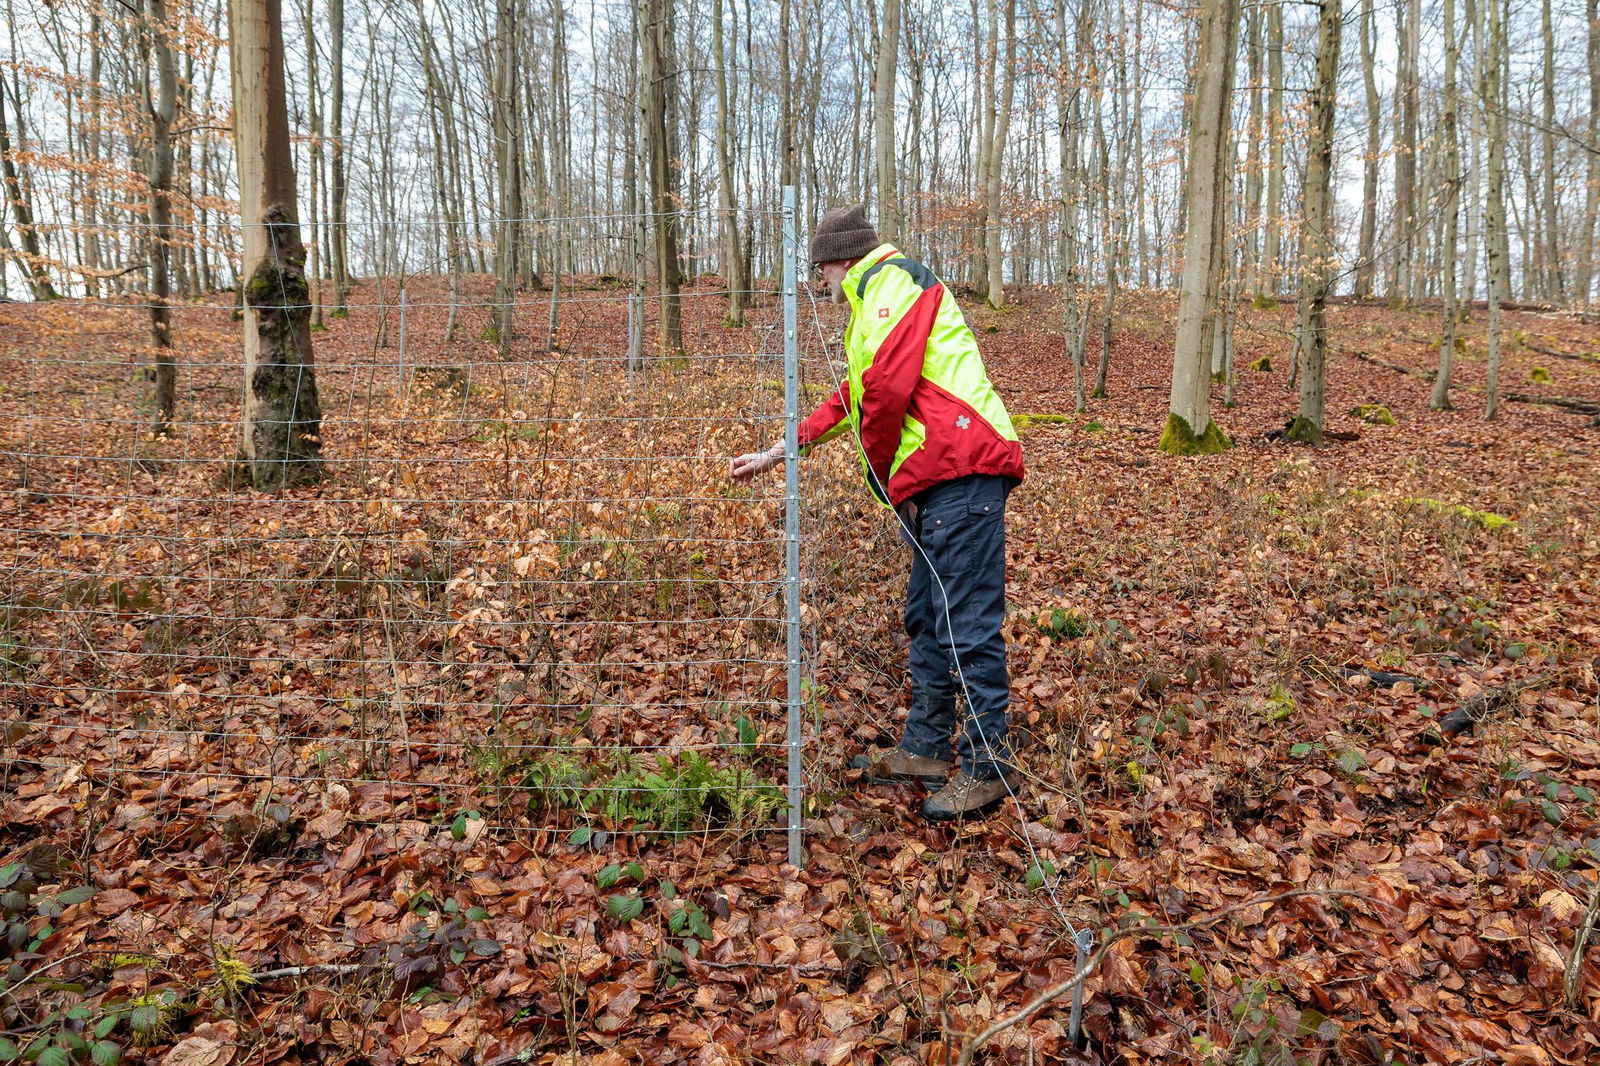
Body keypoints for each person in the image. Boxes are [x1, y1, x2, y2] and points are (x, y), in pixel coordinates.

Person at [730, 204, 1026, 820]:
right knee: (926, 614)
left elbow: (888, 390)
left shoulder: (894, 283)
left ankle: (987, 765)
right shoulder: (872, 300)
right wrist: (783, 448)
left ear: (839, 260)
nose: (820, 286)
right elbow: (856, 392)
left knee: (965, 622)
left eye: (820, 272)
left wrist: (885, 474)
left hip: (961, 470)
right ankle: (924, 747)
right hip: (936, 478)